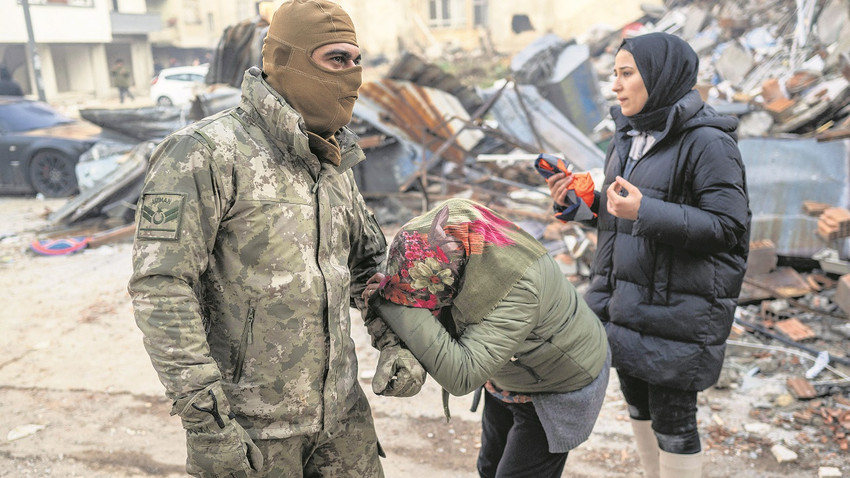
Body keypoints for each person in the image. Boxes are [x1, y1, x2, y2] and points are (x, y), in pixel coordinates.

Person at [128, 1, 388, 476]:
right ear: (284, 61)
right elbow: (162, 285)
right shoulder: (205, 152)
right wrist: (207, 424)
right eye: (335, 59)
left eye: (356, 60)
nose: (352, 75)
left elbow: (368, 267)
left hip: (343, 424)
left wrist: (395, 341)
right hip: (252, 433)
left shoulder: (333, 157)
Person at [545, 32, 750, 478]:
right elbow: (625, 209)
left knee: (674, 421)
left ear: (660, 77)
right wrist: (582, 204)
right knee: (637, 405)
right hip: (626, 302)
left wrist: (645, 211)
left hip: (677, 308)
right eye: (612, 75)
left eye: (625, 74)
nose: (614, 86)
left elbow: (729, 228)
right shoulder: (628, 136)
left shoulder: (709, 143)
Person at [362, 198, 610, 478]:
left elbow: (462, 375)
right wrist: (401, 288)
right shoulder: (472, 252)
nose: (423, 304)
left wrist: (393, 303)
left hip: (558, 383)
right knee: (489, 469)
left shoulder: (519, 289)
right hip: (510, 371)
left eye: (425, 296)